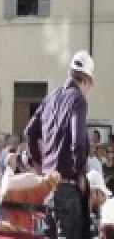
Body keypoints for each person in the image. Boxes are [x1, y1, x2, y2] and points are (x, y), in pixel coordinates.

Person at [25, 50, 94, 239]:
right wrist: (80, 172)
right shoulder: (78, 99)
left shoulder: (51, 97)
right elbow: (78, 141)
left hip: (48, 187)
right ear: (86, 80)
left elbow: (29, 132)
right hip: (68, 187)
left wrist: (39, 165)